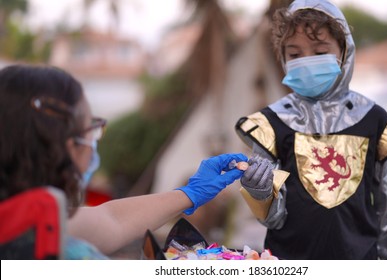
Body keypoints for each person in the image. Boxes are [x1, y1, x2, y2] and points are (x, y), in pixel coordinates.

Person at [0, 63, 248, 259]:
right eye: (92, 129)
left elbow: (110, 220)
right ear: (66, 145)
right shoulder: (73, 258)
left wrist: (190, 193)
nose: (95, 143)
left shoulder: (31, 222)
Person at [235, 0, 387, 260]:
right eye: (295, 54)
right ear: (283, 59)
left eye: (320, 51)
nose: (307, 62)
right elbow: (273, 219)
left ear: (344, 53)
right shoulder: (270, 124)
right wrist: (261, 194)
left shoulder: (375, 121)